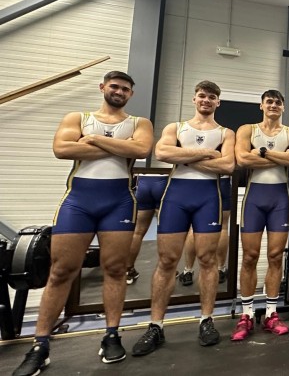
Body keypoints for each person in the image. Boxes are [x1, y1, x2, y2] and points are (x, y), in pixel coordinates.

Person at [13, 71, 154, 376]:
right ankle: (40, 346)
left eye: (125, 89)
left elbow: (141, 150)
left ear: (131, 94)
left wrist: (93, 140)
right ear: (102, 87)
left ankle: (112, 335)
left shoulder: (139, 123)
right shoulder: (78, 118)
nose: (119, 91)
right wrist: (118, 145)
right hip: (78, 201)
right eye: (114, 86)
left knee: (115, 269)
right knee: (61, 271)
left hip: (118, 202)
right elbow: (62, 149)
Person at [132, 80, 236, 356]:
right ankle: (156, 325)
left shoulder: (226, 133)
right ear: (194, 99)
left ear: (218, 102)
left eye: (211, 97)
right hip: (176, 197)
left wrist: (183, 157)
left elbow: (227, 165)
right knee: (167, 261)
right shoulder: (175, 128)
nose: (206, 100)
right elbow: (162, 152)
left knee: (207, 260)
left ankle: (206, 320)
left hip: (208, 198)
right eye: (202, 95)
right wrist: (206, 153)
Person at [230, 90, 289, 341]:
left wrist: (261, 153)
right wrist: (281, 158)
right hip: (254, 199)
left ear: (283, 107)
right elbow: (242, 159)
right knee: (249, 256)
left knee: (275, 256)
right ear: (261, 105)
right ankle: (247, 314)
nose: (273, 105)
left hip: (279, 200)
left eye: (278, 102)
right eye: (269, 102)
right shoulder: (247, 130)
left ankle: (271, 313)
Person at [177, 175, 231, 286]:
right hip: (221, 180)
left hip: (199, 180)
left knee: (193, 227)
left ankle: (188, 271)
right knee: (223, 226)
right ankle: (220, 269)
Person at [126, 174, 167, 284]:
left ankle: (128, 270)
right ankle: (167, 269)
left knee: (137, 231)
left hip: (143, 181)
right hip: (163, 180)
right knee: (165, 231)